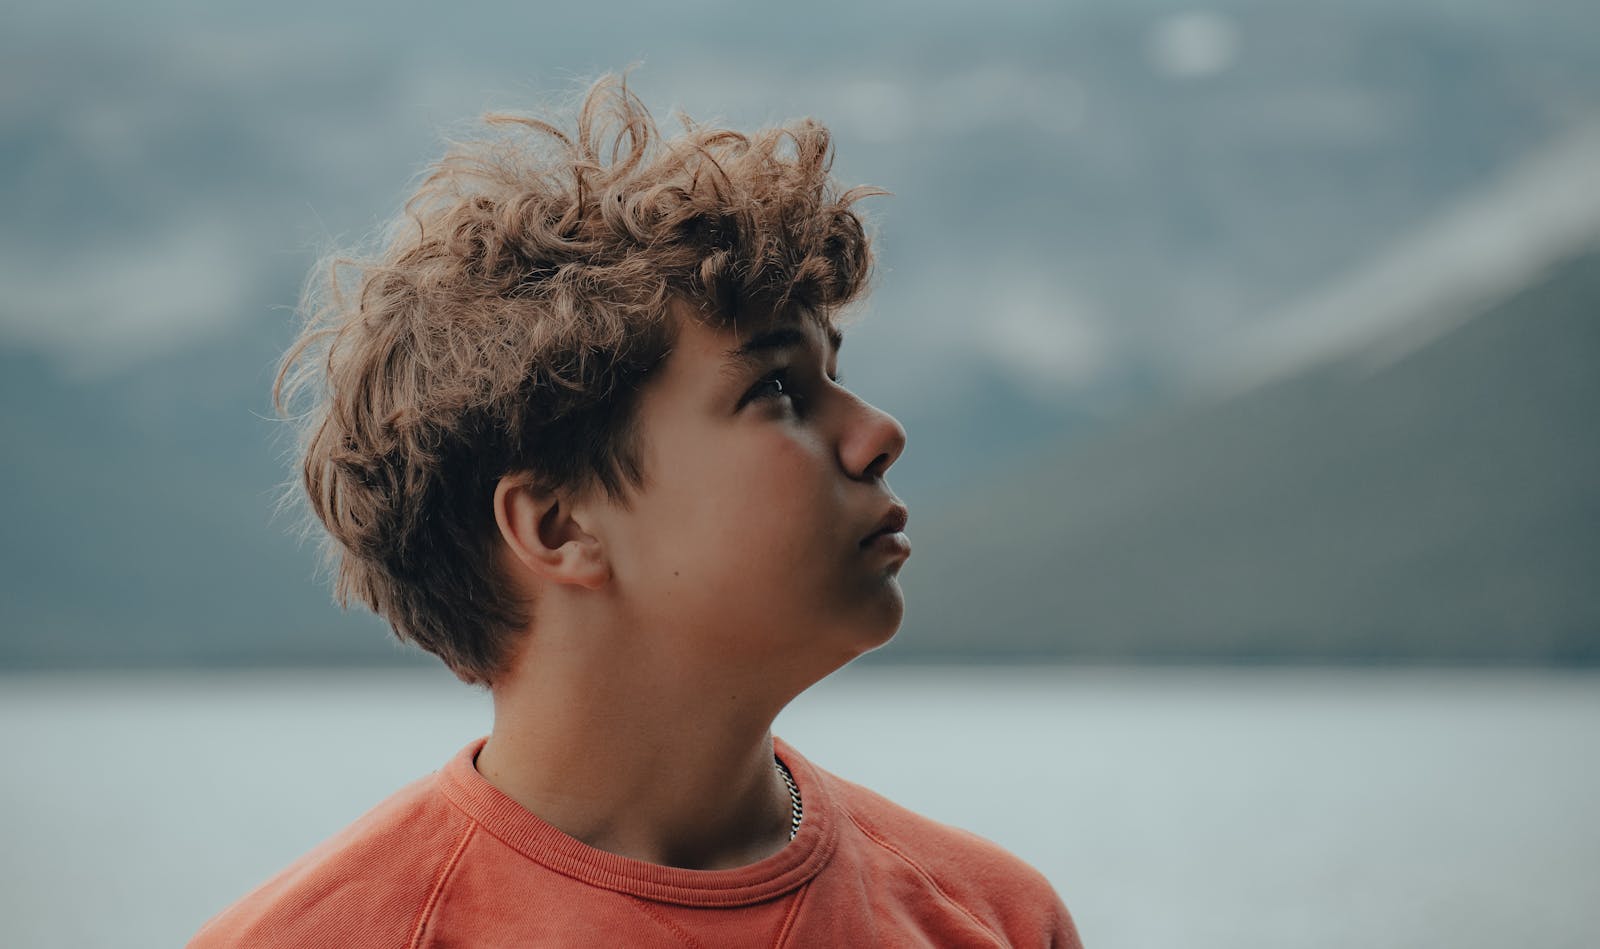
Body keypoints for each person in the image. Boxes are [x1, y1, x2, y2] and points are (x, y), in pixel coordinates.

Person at [189, 73, 1082, 948]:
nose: (879, 433)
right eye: (777, 389)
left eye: (836, 378)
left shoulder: (993, 918)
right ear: (558, 525)